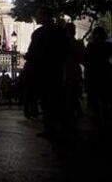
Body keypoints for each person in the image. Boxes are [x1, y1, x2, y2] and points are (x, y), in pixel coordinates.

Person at [25, 7, 67, 138]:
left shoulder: (39, 33)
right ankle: (59, 127)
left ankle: (50, 129)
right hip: (56, 72)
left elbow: (32, 54)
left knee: (46, 101)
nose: (36, 18)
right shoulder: (60, 31)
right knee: (56, 100)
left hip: (42, 73)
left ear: (45, 16)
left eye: (38, 15)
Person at [83, 26, 112, 128]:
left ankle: (98, 123)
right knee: (105, 101)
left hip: (94, 76)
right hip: (105, 74)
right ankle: (105, 121)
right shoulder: (108, 45)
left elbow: (85, 61)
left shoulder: (91, 46)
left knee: (95, 102)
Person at [64, 23, 84, 122]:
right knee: (74, 94)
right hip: (75, 72)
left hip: (67, 73)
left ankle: (70, 115)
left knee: (69, 95)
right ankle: (76, 112)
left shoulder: (63, 44)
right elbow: (82, 59)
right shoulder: (78, 43)